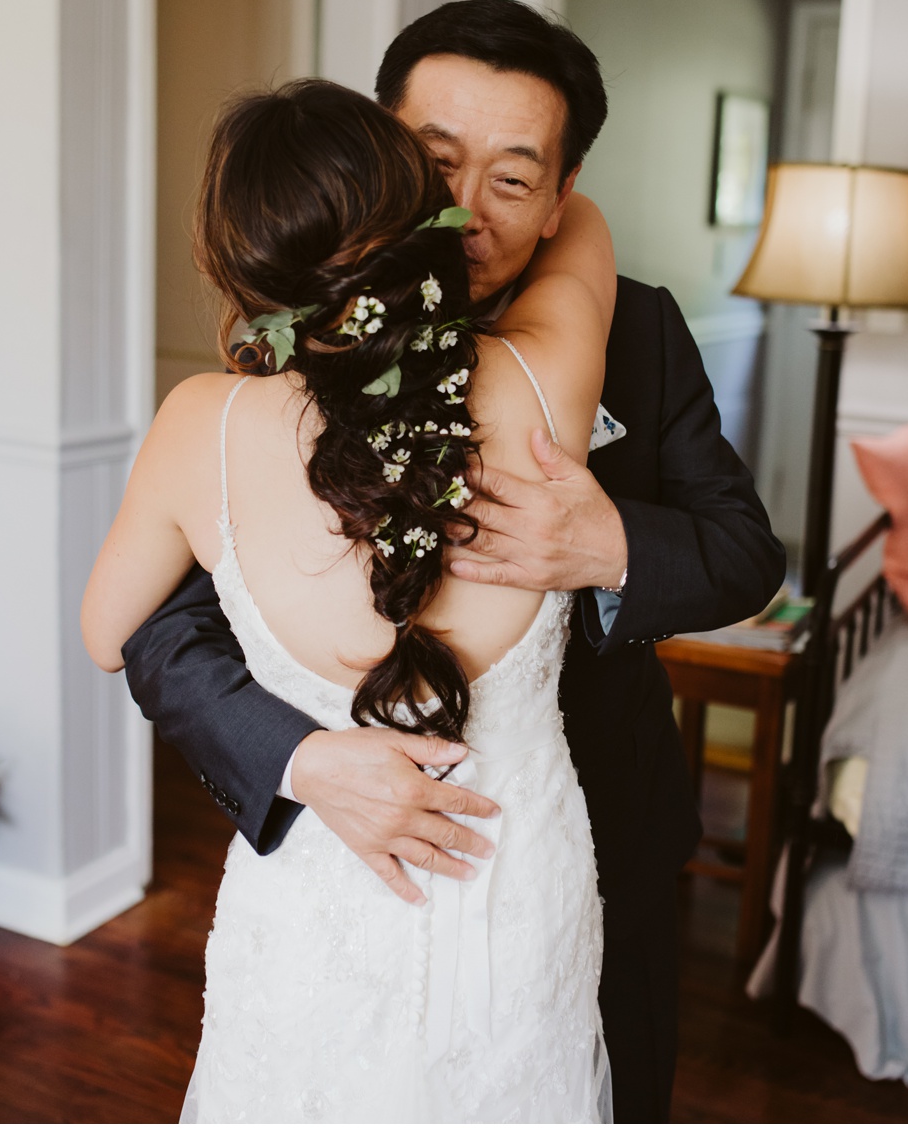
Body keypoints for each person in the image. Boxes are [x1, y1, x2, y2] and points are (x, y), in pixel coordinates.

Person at [119, 0, 785, 1122]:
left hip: (587, 838)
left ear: (563, 194)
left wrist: (610, 545)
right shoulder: (289, 340)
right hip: (336, 849)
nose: (466, 212)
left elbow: (744, 552)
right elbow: (162, 627)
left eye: (514, 179)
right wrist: (299, 761)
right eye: (435, 162)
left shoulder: (635, 328)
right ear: (378, 149)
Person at [83, 79, 616, 1118]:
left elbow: (108, 632)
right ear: (426, 223)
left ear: (233, 269)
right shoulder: (542, 378)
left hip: (315, 898)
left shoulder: (202, 425)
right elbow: (584, 228)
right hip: (513, 892)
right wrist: (478, 204)